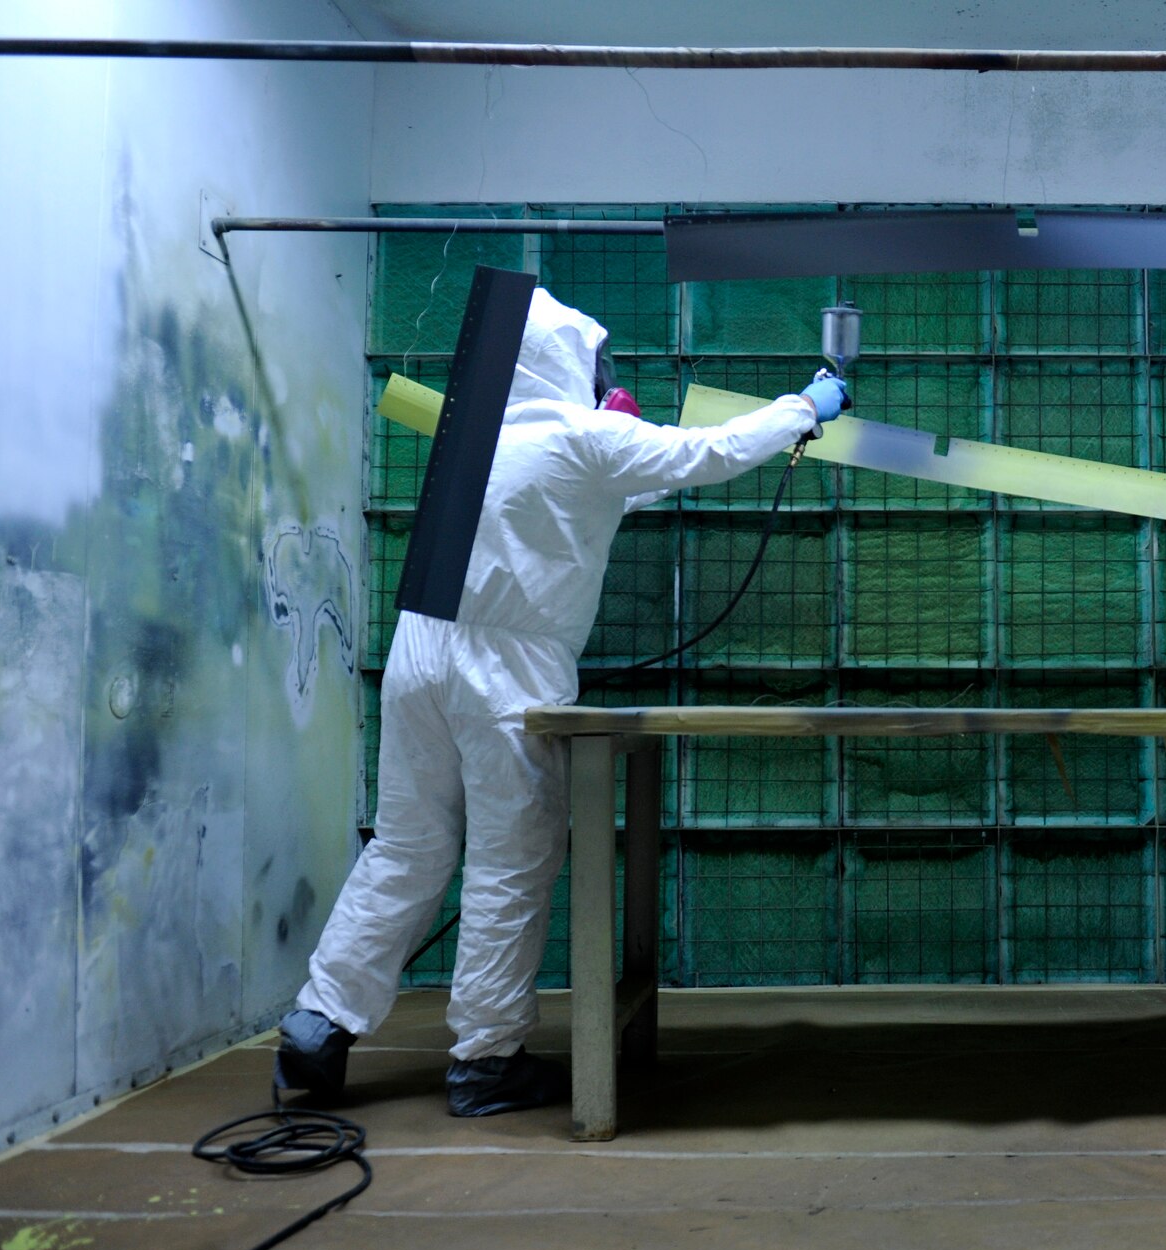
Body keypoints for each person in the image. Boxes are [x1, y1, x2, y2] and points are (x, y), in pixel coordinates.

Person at [276, 288, 849, 1116]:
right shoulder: (585, 437)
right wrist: (805, 406)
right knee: (510, 861)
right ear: (566, 361)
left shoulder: (476, 441)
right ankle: (485, 1062)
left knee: (408, 846)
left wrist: (617, 440)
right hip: (505, 669)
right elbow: (707, 451)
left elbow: (595, 496)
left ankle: (318, 1024)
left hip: (418, 652)